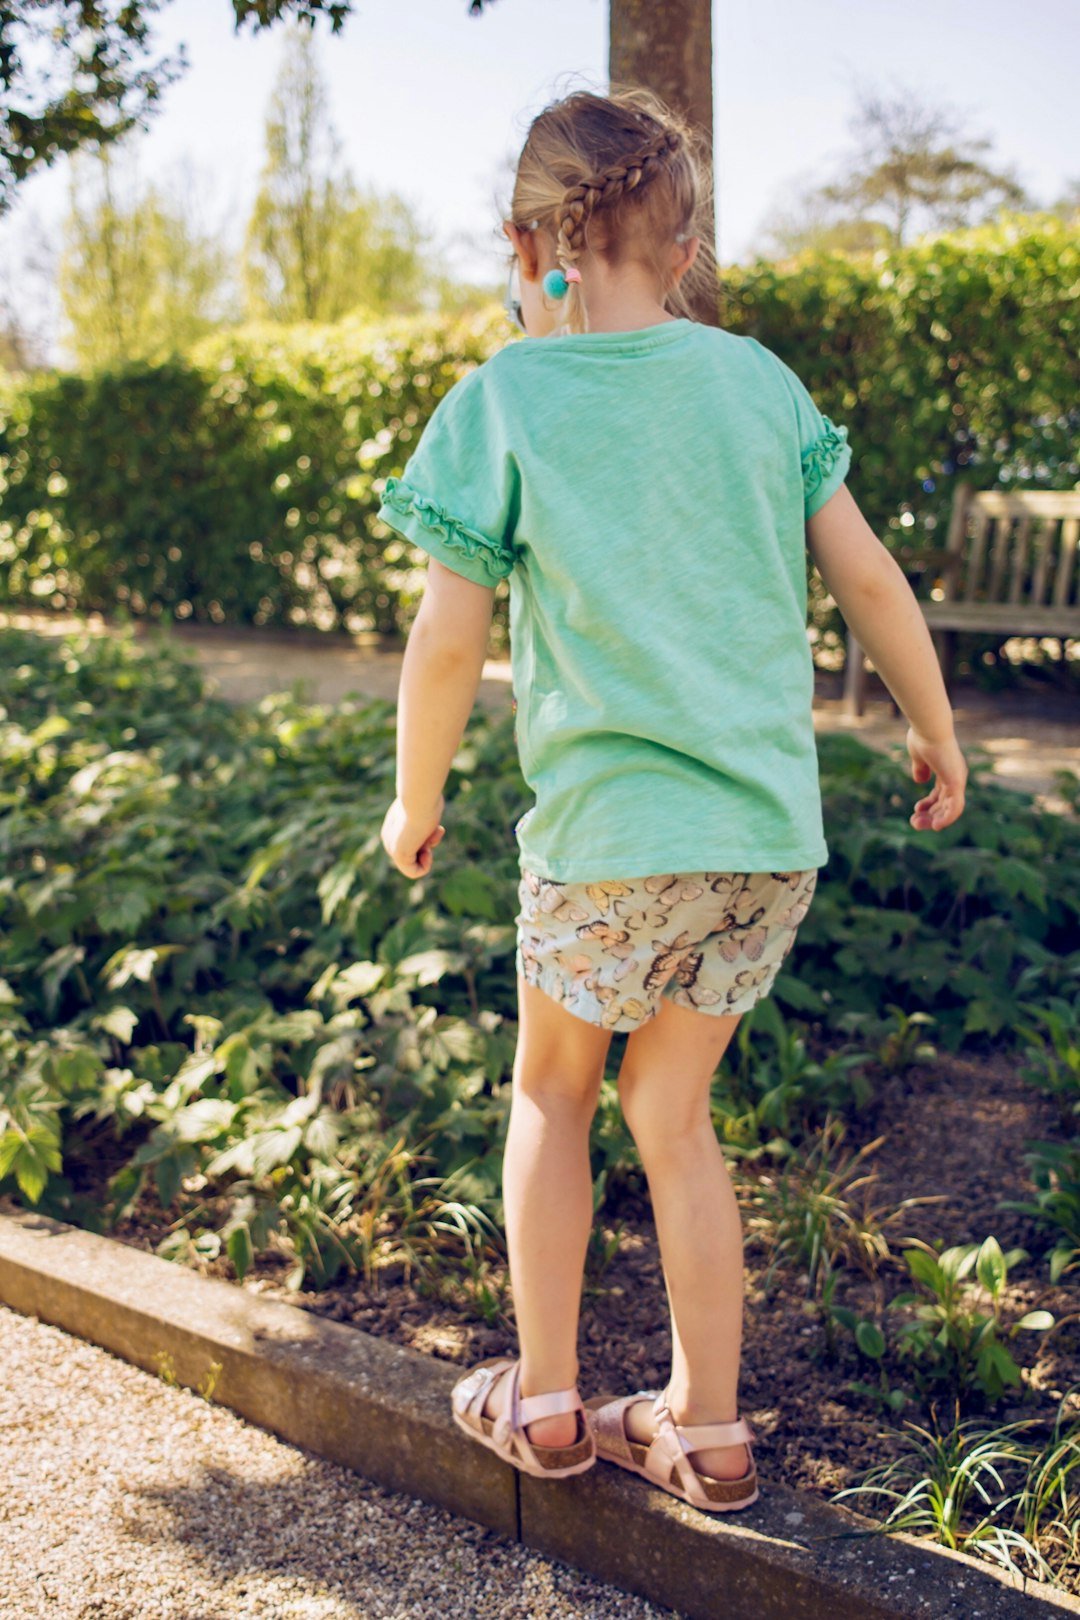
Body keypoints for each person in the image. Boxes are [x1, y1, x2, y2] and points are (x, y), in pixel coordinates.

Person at [377, 85, 968, 1513]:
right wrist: (935, 729)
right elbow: (868, 572)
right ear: (687, 242)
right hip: (762, 842)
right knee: (674, 1110)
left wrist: (414, 796)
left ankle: (550, 1404)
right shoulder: (757, 383)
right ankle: (706, 1430)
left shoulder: (505, 398)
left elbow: (448, 639)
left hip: (608, 843)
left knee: (554, 1089)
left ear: (527, 246)